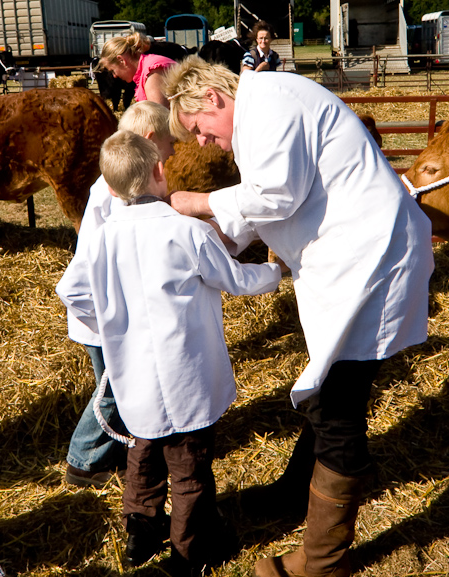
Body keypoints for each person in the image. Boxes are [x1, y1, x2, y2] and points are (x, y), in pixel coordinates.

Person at [164, 57, 434, 577]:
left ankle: (322, 561)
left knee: (336, 406)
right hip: (353, 260)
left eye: (198, 129)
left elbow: (276, 194)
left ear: (213, 100)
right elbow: (270, 200)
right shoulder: (266, 109)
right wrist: (221, 238)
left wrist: (198, 203)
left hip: (368, 262)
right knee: (331, 387)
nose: (201, 142)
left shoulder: (269, 106)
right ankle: (296, 493)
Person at [66, 130, 281, 575]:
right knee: (189, 468)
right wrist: (274, 271)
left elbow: (72, 291)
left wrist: (110, 322)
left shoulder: (102, 239)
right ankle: (189, 555)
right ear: (160, 172)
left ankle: (139, 535)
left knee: (142, 453)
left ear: (109, 187)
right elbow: (237, 281)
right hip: (188, 374)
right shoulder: (188, 232)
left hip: (135, 376)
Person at [56, 102, 177, 488]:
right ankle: (83, 460)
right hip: (102, 315)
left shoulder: (114, 184)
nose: (173, 152)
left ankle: (122, 449)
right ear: (150, 142)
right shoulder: (114, 194)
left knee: (120, 382)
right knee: (112, 388)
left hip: (108, 309)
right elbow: (84, 274)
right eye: (170, 143)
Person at [97, 33, 176, 107]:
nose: (114, 75)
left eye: (113, 70)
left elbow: (158, 117)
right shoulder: (147, 69)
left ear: (121, 60)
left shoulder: (153, 73)